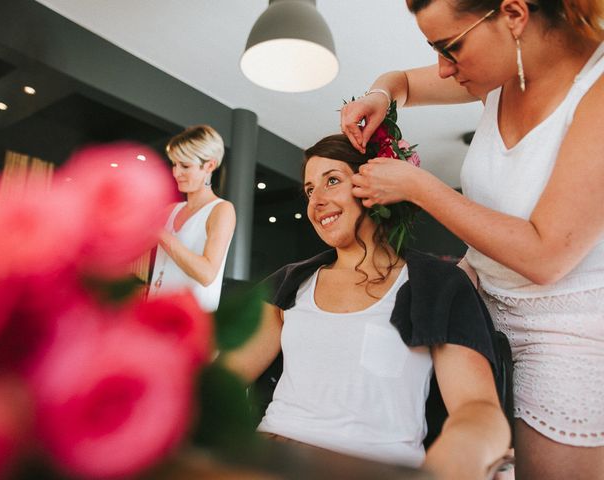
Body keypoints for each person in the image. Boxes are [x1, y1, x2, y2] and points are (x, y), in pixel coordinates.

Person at [340, 1, 604, 478]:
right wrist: (382, 93)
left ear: (514, 15)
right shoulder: (500, 79)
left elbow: (547, 256)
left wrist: (419, 187)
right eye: (435, 50)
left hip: (567, 333)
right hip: (478, 305)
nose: (443, 68)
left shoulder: (597, 92)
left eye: (451, 48)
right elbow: (401, 81)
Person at [223, 134, 510, 480]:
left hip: (372, 468)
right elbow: (222, 378)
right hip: (270, 459)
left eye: (332, 181)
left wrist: (454, 463)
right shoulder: (289, 282)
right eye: (310, 190)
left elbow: (477, 409)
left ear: (375, 187)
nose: (317, 201)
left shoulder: (437, 285)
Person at [148, 125, 235, 312]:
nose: (176, 173)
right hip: (156, 314)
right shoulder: (170, 210)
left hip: (190, 322)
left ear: (209, 166)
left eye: (185, 166)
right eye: (174, 164)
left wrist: (160, 233)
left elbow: (207, 274)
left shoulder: (221, 210)